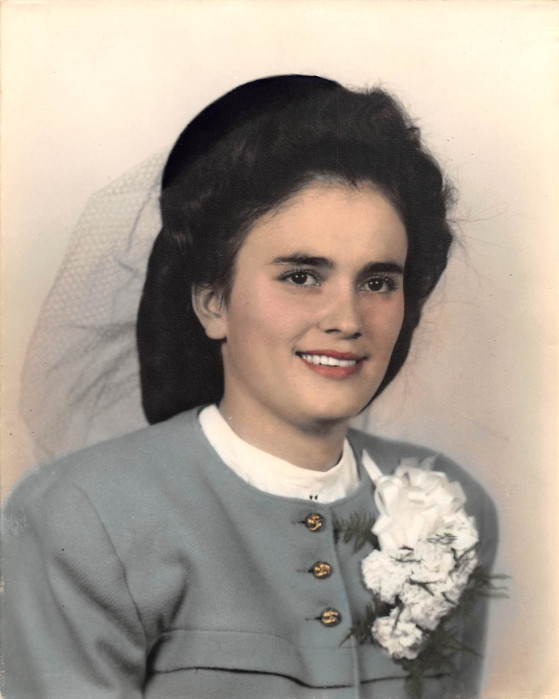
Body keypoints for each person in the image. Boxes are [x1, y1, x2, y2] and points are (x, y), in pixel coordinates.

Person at [2, 75, 498, 699]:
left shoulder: (452, 506)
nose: (348, 319)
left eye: (378, 282)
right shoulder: (81, 517)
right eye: (301, 276)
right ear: (213, 302)